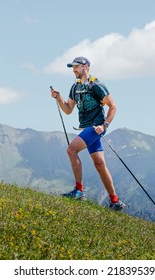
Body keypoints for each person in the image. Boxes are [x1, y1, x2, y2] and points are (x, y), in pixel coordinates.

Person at [50, 56, 125, 211]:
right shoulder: (75, 87)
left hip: (95, 128)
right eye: (72, 68)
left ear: (86, 67)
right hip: (86, 128)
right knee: (99, 164)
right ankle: (115, 201)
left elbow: (113, 106)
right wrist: (58, 98)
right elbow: (68, 110)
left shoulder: (96, 85)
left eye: (76, 67)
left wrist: (104, 125)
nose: (74, 70)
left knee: (71, 150)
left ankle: (78, 191)